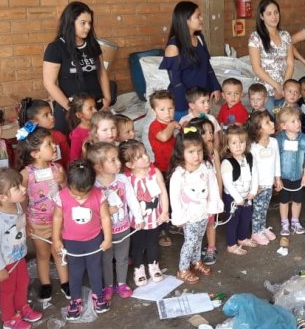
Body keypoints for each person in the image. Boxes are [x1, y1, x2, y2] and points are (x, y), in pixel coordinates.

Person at [52, 159, 112, 320]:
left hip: (94, 239)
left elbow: (105, 218)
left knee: (95, 269)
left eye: (84, 193)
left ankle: (98, 297)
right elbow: (57, 218)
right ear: (69, 184)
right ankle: (75, 301)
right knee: (75, 272)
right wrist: (56, 239)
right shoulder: (62, 196)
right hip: (72, 242)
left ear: (92, 186)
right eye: (75, 193)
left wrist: (107, 238)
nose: (79, 197)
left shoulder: (99, 194)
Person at [0, 168, 43, 329]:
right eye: (17, 187)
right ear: (2, 197)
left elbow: (19, 221)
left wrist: (26, 228)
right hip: (6, 263)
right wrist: (0, 269)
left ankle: (22, 307)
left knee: (23, 283)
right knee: (7, 291)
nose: (23, 188)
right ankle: (9, 319)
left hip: (19, 257)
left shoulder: (16, 205)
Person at [17, 126, 70, 302]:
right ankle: (45, 283)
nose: (54, 146)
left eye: (53, 143)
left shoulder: (58, 169)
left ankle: (65, 282)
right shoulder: (26, 174)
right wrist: (25, 220)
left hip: (58, 221)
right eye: (49, 144)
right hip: (37, 222)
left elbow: (66, 193)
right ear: (35, 153)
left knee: (59, 252)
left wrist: (63, 181)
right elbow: (22, 199)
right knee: (42, 254)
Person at [43, 1, 112, 134]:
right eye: (83, 23)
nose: (87, 27)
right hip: (70, 112)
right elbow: (49, 83)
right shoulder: (56, 48)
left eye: (90, 23)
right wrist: (72, 109)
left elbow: (102, 73)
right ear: (70, 22)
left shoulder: (93, 45)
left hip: (95, 109)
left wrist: (107, 98)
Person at [168, 126, 223, 285]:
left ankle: (196, 261)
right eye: (191, 152)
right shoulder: (179, 173)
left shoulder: (206, 166)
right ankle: (183, 269)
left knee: (199, 239)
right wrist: (179, 217)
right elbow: (174, 197)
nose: (196, 155)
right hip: (189, 216)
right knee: (189, 242)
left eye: (199, 151)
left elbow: (212, 186)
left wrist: (213, 206)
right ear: (181, 152)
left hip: (203, 212)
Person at [89, 142, 140, 301]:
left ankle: (122, 283)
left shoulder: (123, 179)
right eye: (112, 160)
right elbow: (90, 208)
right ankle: (109, 285)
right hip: (103, 232)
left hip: (123, 228)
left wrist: (138, 218)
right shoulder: (93, 185)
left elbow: (131, 199)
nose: (118, 162)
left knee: (122, 258)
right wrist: (104, 212)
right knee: (105, 259)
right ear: (98, 166)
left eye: (117, 158)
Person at [160, 1, 222, 120]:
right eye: (197, 16)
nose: (201, 19)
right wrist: (190, 105)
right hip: (185, 104)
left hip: (201, 101)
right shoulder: (173, 46)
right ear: (186, 20)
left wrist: (215, 87)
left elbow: (207, 67)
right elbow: (176, 82)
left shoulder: (200, 38)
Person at [119, 140, 169, 286]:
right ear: (130, 165)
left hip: (155, 218)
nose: (146, 157)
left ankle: (154, 265)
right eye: (140, 157)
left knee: (153, 243)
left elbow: (163, 193)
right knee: (138, 245)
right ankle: (138, 268)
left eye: (145, 153)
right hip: (136, 222)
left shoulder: (155, 172)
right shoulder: (126, 178)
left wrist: (165, 211)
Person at [249, 0, 295, 111]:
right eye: (269, 14)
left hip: (284, 91)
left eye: (276, 12)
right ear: (261, 16)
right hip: (265, 92)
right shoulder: (255, 37)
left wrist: (284, 87)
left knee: (283, 122)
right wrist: (277, 86)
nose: (274, 16)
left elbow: (290, 63)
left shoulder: (285, 35)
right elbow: (257, 68)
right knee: (268, 124)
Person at [219, 125, 257, 255]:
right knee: (233, 221)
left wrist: (253, 190)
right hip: (233, 198)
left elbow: (255, 174)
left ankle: (242, 238)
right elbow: (228, 183)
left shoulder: (249, 157)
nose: (238, 146)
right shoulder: (227, 162)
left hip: (248, 195)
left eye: (241, 142)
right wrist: (238, 198)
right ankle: (231, 244)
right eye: (234, 143)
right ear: (228, 145)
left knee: (246, 218)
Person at [246, 111, 281, 245]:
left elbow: (277, 160)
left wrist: (277, 178)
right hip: (259, 185)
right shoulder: (253, 147)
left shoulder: (274, 142)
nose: (272, 123)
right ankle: (256, 232)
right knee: (257, 209)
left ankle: (261, 227)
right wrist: (254, 186)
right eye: (267, 122)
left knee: (265, 207)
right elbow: (251, 169)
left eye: (271, 121)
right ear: (258, 129)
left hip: (269, 183)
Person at [275, 107, 305, 236]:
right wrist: (276, 178)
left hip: (298, 176)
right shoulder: (279, 139)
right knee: (283, 200)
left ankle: (295, 221)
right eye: (293, 121)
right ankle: (285, 222)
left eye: (298, 120)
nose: (298, 123)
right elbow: (276, 159)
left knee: (298, 200)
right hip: (284, 176)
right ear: (283, 126)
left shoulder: (304, 138)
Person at [18, 98, 70, 169]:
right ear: (33, 122)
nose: (52, 117)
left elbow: (68, 160)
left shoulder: (59, 136)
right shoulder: (29, 141)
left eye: (51, 113)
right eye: (46, 115)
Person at [147, 90, 180, 175]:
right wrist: (172, 125)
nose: (167, 113)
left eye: (170, 108)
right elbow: (164, 137)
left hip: (178, 164)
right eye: (162, 109)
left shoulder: (174, 123)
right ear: (154, 111)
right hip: (163, 169)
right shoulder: (154, 126)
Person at [67, 93, 97, 161]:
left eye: (95, 107)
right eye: (90, 109)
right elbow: (74, 159)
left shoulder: (99, 125)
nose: (95, 110)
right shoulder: (77, 135)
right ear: (79, 115)